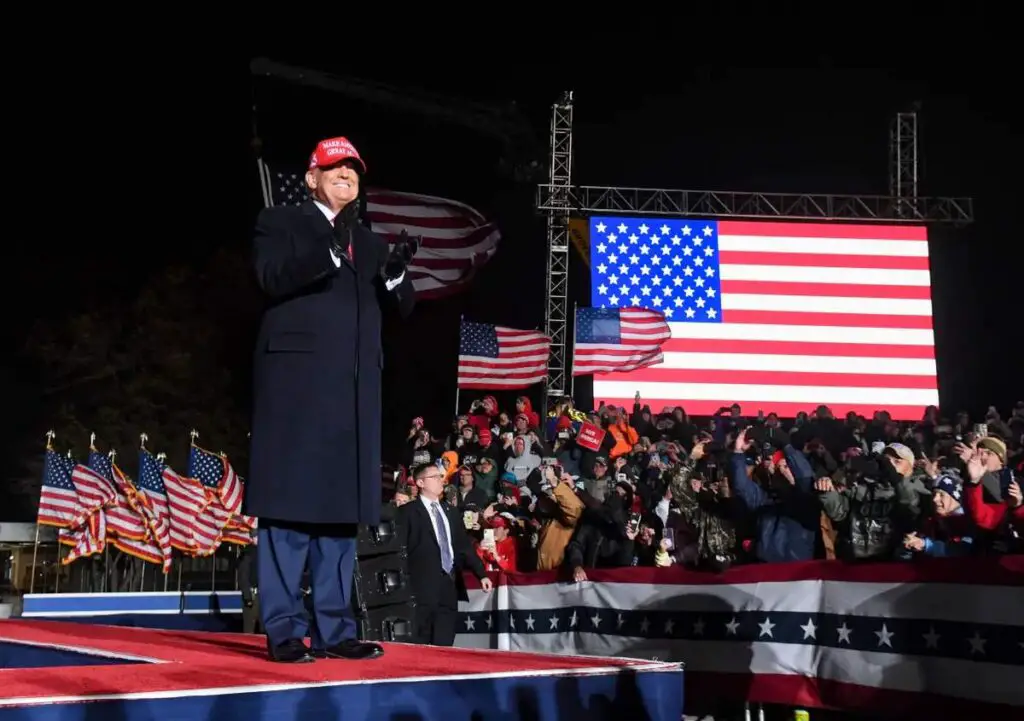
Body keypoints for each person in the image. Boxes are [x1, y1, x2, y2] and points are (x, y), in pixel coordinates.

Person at [246, 136, 416, 663]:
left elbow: (403, 308)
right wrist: (326, 246)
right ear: (313, 177)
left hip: (354, 395)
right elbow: (271, 278)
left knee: (340, 515)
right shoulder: (281, 223)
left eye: (354, 169)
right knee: (290, 510)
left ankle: (335, 630)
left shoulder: (368, 244)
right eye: (334, 167)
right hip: (296, 389)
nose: (346, 174)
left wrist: (395, 274)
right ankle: (282, 631)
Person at [397, 463, 493, 646]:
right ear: (420, 482)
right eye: (435, 477)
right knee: (421, 644)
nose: (441, 480)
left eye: (441, 477)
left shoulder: (450, 511)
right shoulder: (407, 512)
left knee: (445, 643)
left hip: (448, 586)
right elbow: (400, 551)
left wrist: (481, 574)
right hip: (420, 590)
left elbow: (463, 546)